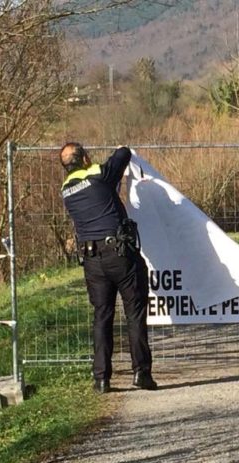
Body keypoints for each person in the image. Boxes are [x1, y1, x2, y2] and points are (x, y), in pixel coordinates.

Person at [59, 142, 157, 393]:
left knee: (102, 317)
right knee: (134, 313)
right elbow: (123, 155)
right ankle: (141, 373)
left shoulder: (66, 190)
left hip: (92, 261)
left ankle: (101, 379)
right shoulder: (98, 175)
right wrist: (119, 147)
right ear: (84, 159)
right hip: (120, 254)